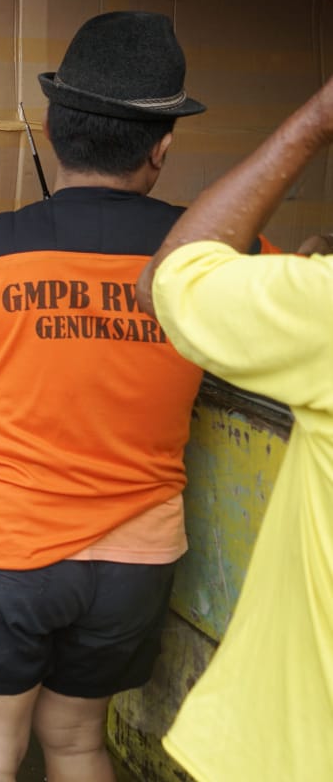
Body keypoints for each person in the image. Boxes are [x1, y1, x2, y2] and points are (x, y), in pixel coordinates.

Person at [0, 11, 273, 782]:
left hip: (0, 558)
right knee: (79, 743)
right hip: (136, 565)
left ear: (52, 131)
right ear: (161, 149)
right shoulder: (217, 260)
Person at [136, 79, 333, 782]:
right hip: (139, 558)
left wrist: (314, 118)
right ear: (160, 150)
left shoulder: (322, 310)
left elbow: (171, 278)